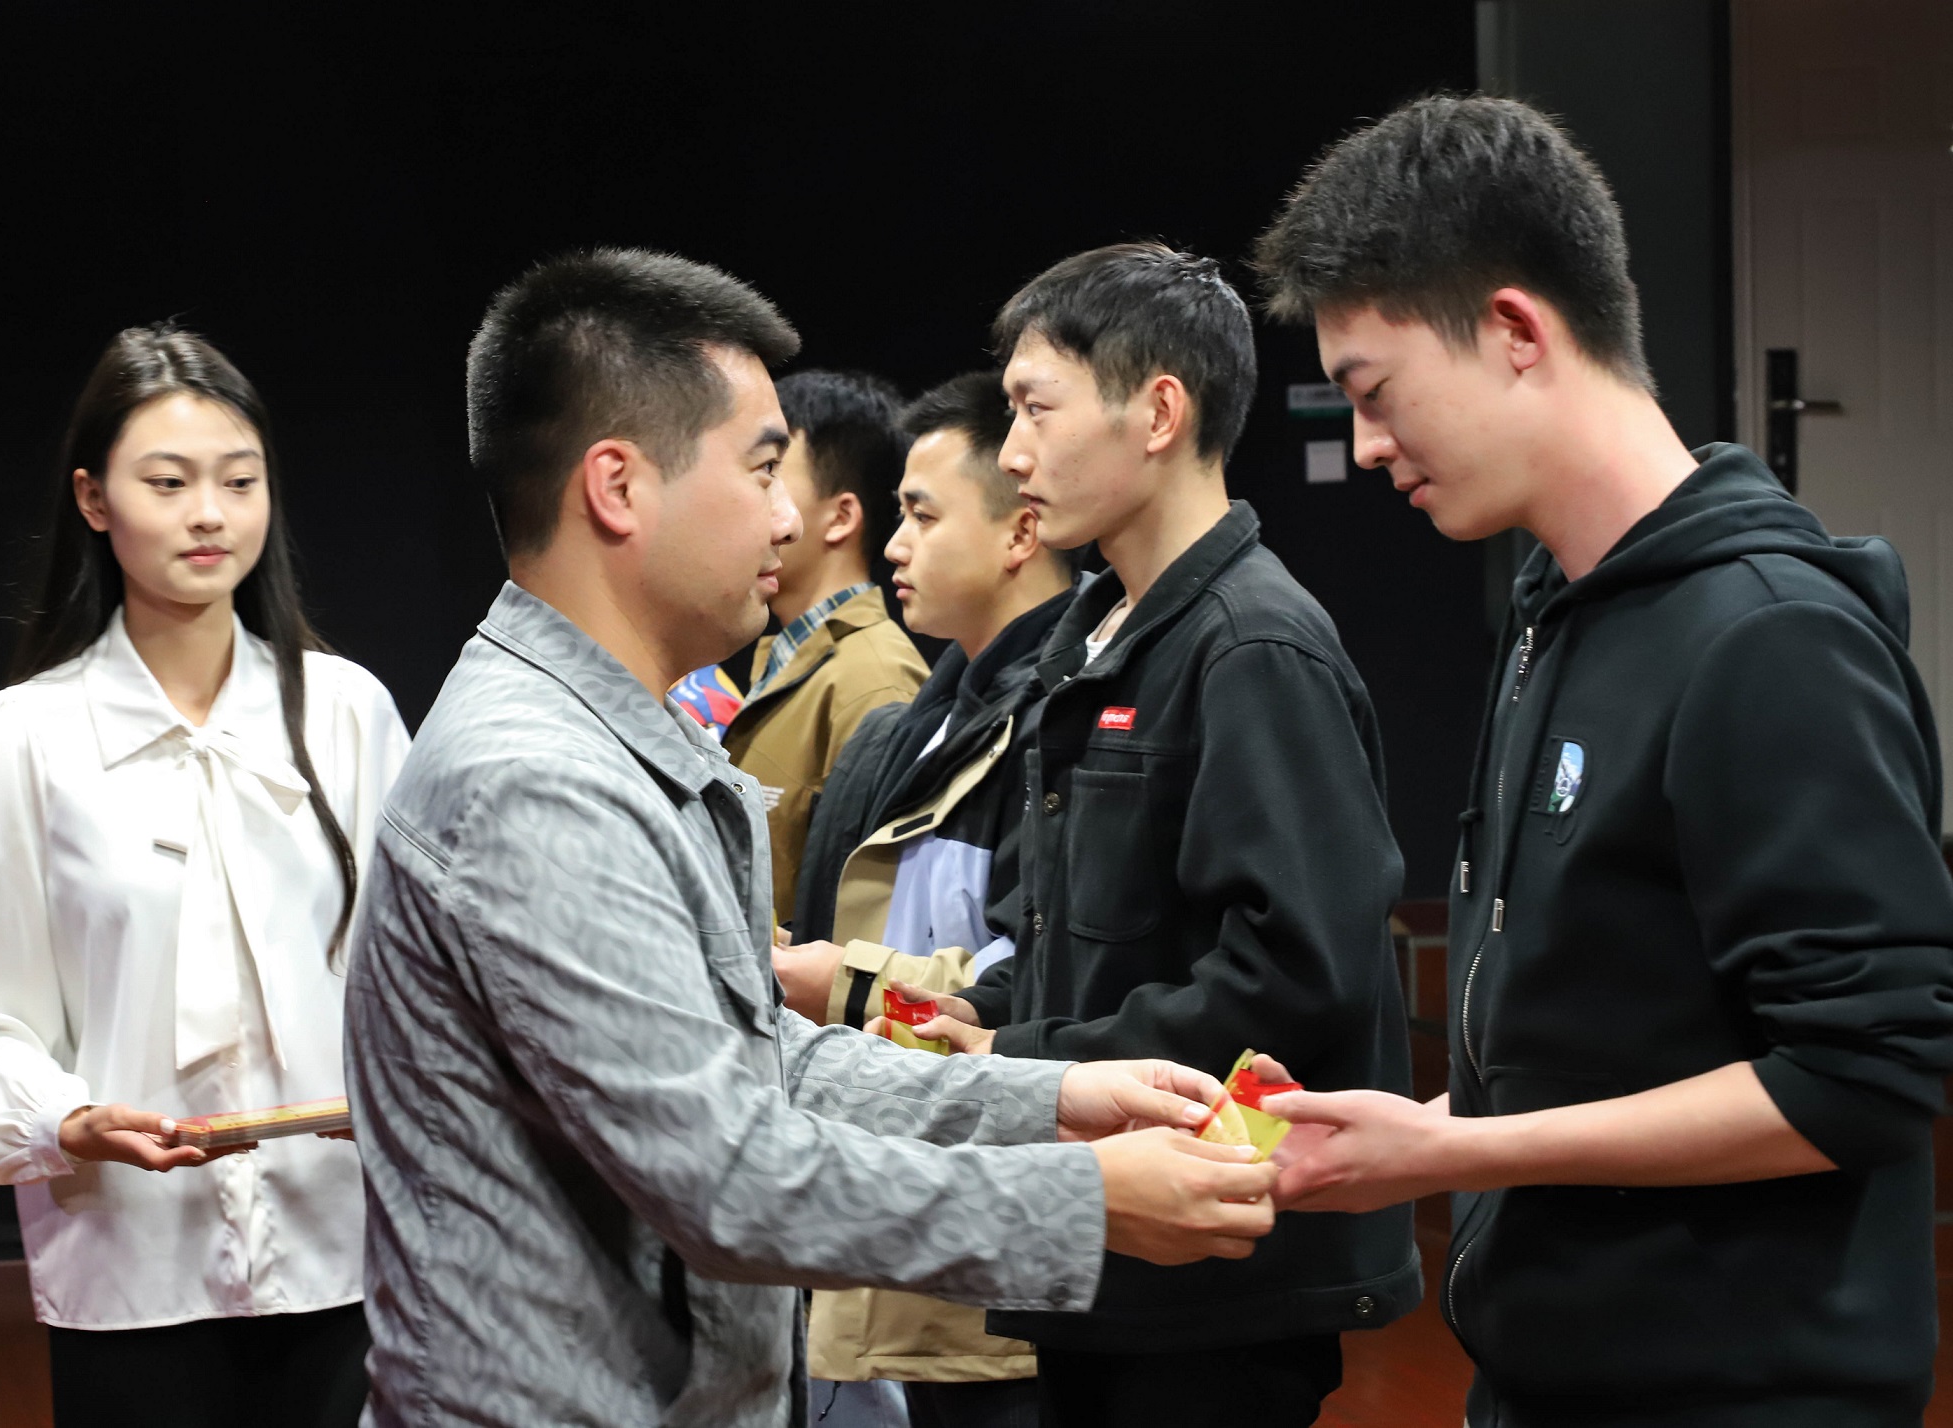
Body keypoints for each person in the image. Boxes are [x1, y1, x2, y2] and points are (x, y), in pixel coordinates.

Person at [341, 248, 1283, 1428]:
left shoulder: (609, 745)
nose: (791, 519)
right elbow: (730, 1177)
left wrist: (1047, 1100)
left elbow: (762, 1062)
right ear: (618, 487)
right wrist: (1082, 1199)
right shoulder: (537, 784)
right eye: (760, 468)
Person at [1249, 94, 1953, 1427]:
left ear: (1515, 332)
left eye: (1373, 394)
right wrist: (1425, 1131)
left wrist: (1458, 1151)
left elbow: (1860, 1079)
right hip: (1552, 1373)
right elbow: (1610, 1020)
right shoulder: (1552, 609)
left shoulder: (1768, 638)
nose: (1366, 444)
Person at [902, 245, 1418, 1428]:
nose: (1012, 452)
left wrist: (1025, 1062)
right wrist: (966, 1022)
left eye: (1035, 409)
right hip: (1108, 1250)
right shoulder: (1091, 634)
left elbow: (1299, 974)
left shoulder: (1251, 644)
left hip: (1213, 1286)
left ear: (1158, 413)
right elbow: (1062, 931)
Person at [0, 324, 410, 1428]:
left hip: (343, 1252)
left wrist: (396, 1086)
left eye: (239, 481)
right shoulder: (25, 735)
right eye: (169, 482)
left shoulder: (348, 711)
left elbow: (417, 971)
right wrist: (67, 1118)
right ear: (94, 500)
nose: (210, 514)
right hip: (128, 1262)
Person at [777, 370, 1081, 1428]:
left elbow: (1035, 976)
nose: (895, 546)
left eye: (921, 515)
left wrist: (839, 985)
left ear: (1020, 531)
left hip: (1000, 1230)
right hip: (908, 1198)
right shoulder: (922, 721)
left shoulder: (1065, 723)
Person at [722, 369, 929, 926]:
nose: (762, 503)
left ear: (840, 518)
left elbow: (871, 919)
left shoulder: (878, 682)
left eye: (773, 474)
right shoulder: (790, 656)